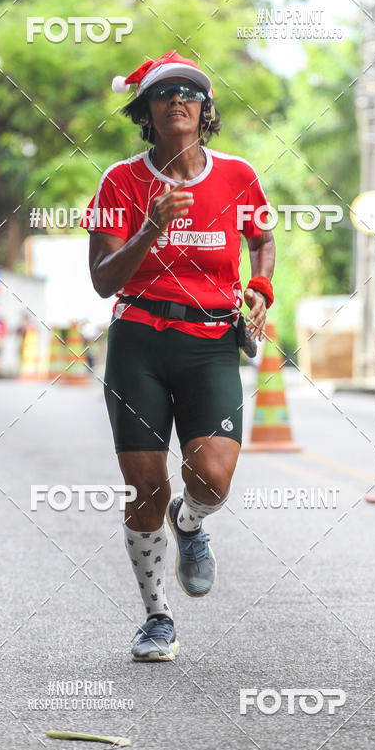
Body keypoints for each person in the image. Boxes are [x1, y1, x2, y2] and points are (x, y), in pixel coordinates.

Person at [87, 51, 275, 662]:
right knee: (143, 487)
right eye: (164, 94)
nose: (177, 102)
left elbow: (262, 238)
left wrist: (260, 288)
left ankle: (190, 522)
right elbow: (102, 280)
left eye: (190, 94)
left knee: (213, 479)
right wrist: (148, 230)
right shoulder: (120, 180)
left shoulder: (238, 175)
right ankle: (157, 619)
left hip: (212, 344)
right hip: (139, 341)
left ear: (205, 111)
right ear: (144, 110)